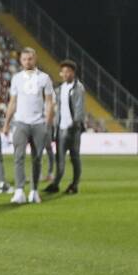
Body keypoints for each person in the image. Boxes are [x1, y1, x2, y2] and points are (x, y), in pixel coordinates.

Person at [1, 47, 55, 205]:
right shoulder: (16, 78)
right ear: (20, 61)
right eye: (24, 59)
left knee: (37, 159)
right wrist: (6, 123)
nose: (27, 62)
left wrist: (48, 123)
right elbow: (12, 102)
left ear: (35, 59)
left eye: (30, 59)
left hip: (38, 123)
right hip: (21, 122)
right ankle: (19, 191)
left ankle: (34, 191)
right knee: (18, 157)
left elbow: (49, 102)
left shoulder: (44, 78)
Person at [45, 58, 85, 195]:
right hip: (61, 128)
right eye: (63, 72)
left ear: (73, 72)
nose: (65, 74)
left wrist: (74, 125)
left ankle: (74, 185)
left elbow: (79, 110)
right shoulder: (60, 88)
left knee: (74, 158)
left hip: (72, 129)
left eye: (68, 71)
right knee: (60, 158)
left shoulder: (78, 88)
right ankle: (56, 184)